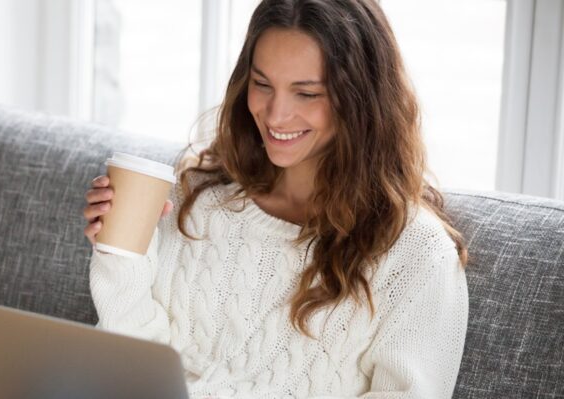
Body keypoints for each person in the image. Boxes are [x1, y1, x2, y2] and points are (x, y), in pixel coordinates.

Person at [82, 0, 469, 397]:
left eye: (306, 93)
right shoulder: (198, 192)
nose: (276, 115)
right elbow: (133, 363)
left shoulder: (417, 254)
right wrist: (121, 255)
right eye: (262, 84)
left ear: (360, 100)